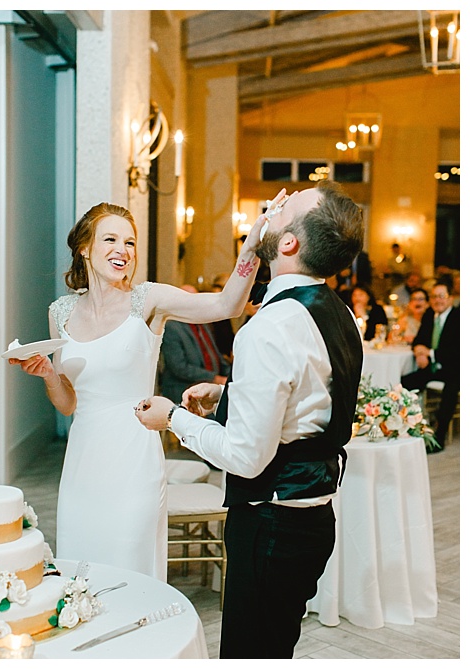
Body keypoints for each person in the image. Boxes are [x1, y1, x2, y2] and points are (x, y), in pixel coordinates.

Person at [135, 180, 365, 658]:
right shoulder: (336, 311)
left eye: (285, 207)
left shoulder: (269, 328)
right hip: (313, 516)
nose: (272, 207)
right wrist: (228, 395)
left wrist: (173, 418)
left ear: (289, 243)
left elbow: (245, 457)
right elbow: (307, 399)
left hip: (271, 524)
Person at [9, 200, 262, 580]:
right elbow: (68, 404)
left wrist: (251, 248)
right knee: (82, 571)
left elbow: (228, 304)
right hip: (82, 464)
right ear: (85, 248)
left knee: (130, 568)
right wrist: (48, 373)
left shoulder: (147, 300)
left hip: (134, 459)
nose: (123, 250)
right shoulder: (59, 312)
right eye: (110, 239)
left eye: (129, 242)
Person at [402, 283, 458, 443]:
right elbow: (418, 340)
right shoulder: (429, 315)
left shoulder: (459, 317)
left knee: (450, 390)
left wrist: (430, 353)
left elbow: (456, 352)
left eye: (442, 296)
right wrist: (419, 351)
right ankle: (405, 426)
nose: (437, 300)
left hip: (455, 369)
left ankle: (439, 437)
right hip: (432, 368)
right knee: (403, 383)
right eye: (434, 296)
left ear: (450, 298)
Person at [159, 286, 229, 404]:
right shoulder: (171, 327)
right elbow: (179, 367)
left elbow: (214, 354)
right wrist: (215, 378)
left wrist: (230, 374)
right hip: (183, 392)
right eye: (191, 299)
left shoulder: (202, 322)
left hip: (207, 389)